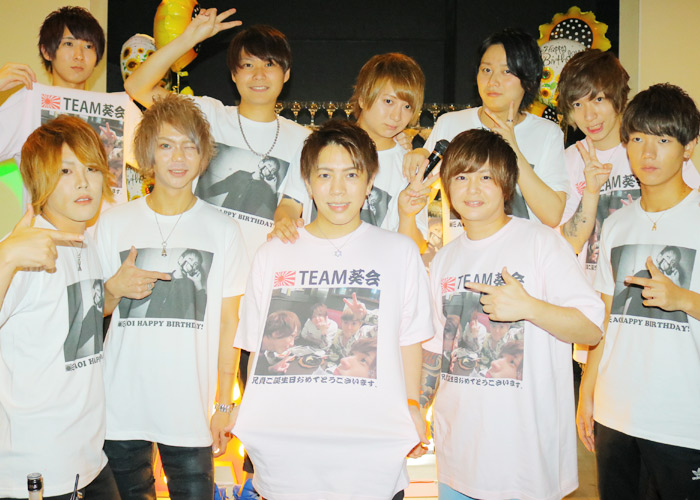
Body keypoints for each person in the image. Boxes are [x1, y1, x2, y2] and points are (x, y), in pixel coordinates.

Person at [227, 120, 432, 499]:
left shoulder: (399, 252)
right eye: (325, 175)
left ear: (369, 182)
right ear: (307, 182)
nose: (338, 189)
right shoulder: (273, 254)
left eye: (351, 175)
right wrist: (245, 406)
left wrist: (412, 404)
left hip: (369, 451)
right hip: (289, 451)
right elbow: (257, 346)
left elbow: (410, 340)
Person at [420, 128, 604, 500]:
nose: (472, 189)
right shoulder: (444, 259)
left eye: (486, 177)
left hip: (525, 462)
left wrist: (529, 307)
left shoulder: (541, 243)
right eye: (461, 177)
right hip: (457, 455)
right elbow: (434, 351)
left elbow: (591, 329)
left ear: (506, 185)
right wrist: (417, 407)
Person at [95, 93, 249, 500]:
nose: (178, 157)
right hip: (120, 406)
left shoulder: (223, 229)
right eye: (166, 145)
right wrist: (113, 289)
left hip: (190, 409)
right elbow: (91, 314)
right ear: (149, 153)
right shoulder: (112, 223)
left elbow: (230, 323)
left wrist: (224, 404)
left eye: (189, 146)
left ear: (203, 155)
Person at [577, 84, 700, 500]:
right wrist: (587, 393)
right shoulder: (616, 224)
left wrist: (682, 299)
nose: (648, 153)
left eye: (663, 140)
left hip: (683, 420)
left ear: (688, 147)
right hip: (616, 414)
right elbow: (606, 316)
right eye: (637, 139)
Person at [0, 115, 120, 498]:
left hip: (89, 461)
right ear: (39, 181)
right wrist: (6, 258)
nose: (83, 181)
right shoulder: (25, 249)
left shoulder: (84, 242)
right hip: (36, 473)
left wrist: (114, 292)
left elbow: (70, 326)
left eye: (91, 168)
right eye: (66, 171)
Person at [125, 12, 310, 258]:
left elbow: (291, 203)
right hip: (199, 258)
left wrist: (286, 222)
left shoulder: (303, 139)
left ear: (286, 74)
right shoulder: (208, 114)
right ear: (233, 74)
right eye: (248, 65)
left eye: (269, 64)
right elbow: (137, 87)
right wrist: (188, 39)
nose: (259, 75)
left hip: (261, 264)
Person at [404, 28, 568, 242]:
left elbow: (552, 216)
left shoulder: (547, 133)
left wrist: (513, 148)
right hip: (461, 252)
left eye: (506, 72)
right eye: (486, 70)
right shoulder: (450, 123)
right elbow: (421, 194)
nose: (493, 81)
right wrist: (418, 154)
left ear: (528, 80)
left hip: (521, 254)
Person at [272, 52, 433, 250]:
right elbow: (289, 204)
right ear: (363, 98)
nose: (396, 116)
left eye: (407, 106)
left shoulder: (410, 168)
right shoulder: (319, 146)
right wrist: (285, 224)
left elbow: (417, 247)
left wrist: (406, 215)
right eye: (388, 101)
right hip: (313, 263)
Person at [0, 6, 139, 209]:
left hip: (108, 228)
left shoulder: (120, 108)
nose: (79, 55)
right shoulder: (28, 103)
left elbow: (158, 158)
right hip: (47, 227)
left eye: (88, 46)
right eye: (68, 43)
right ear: (46, 51)